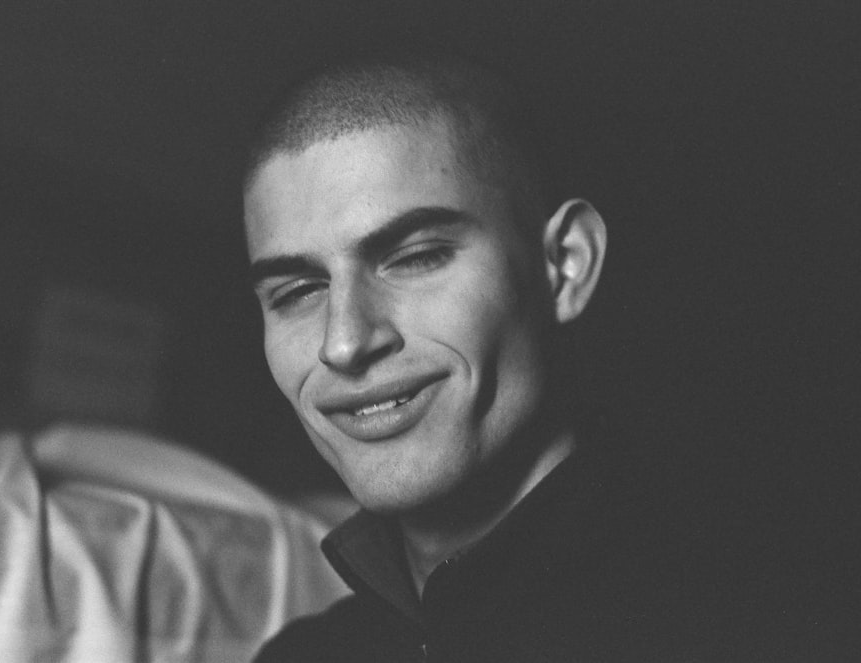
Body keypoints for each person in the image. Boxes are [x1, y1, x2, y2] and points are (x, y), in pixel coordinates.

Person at [241, 52, 828, 662]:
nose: (343, 343)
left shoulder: (759, 618)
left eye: (415, 257)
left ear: (565, 267)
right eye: (298, 291)